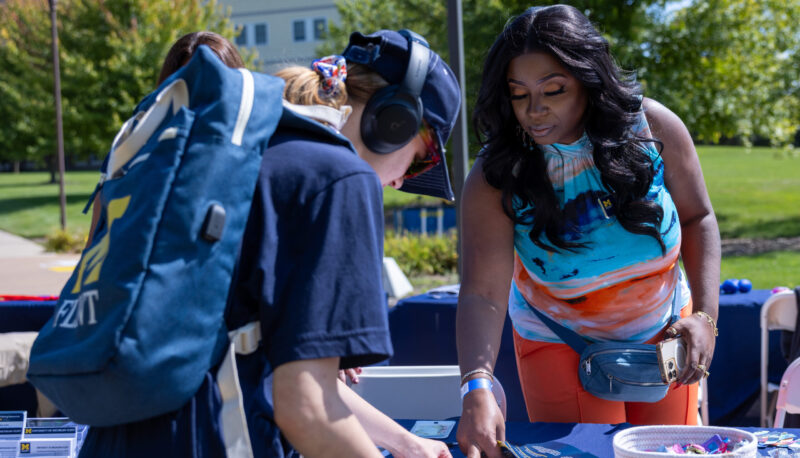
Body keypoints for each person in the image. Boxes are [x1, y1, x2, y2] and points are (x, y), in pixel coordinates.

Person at [79, 29, 460, 458]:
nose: (403, 181)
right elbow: (307, 407)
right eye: (423, 158)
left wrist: (406, 445)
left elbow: (253, 357)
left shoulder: (223, 151)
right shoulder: (337, 177)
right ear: (395, 122)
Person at [455, 5, 721, 457]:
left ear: (589, 79)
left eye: (553, 90)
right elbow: (483, 292)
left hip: (665, 330)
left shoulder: (653, 128)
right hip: (560, 339)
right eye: (519, 95)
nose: (534, 112)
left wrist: (706, 317)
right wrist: (475, 385)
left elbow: (699, 219)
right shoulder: (496, 174)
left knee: (673, 453)